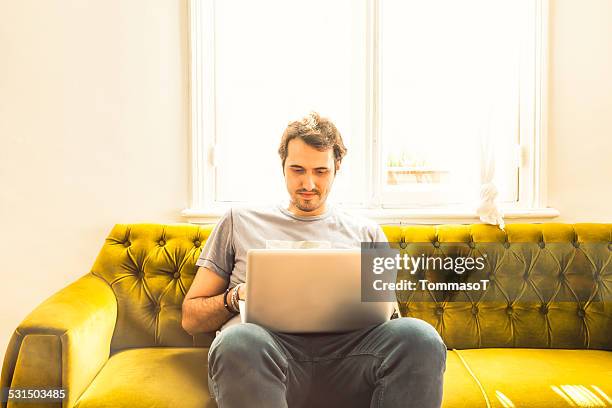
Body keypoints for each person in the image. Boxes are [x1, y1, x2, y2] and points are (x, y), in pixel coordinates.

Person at [181, 112, 447, 408]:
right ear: (282, 166)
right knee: (237, 342)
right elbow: (191, 318)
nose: (308, 183)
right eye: (297, 169)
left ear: (336, 169)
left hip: (351, 358)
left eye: (320, 171)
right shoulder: (238, 222)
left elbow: (389, 318)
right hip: (266, 355)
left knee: (419, 337)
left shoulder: (367, 232)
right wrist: (237, 296)